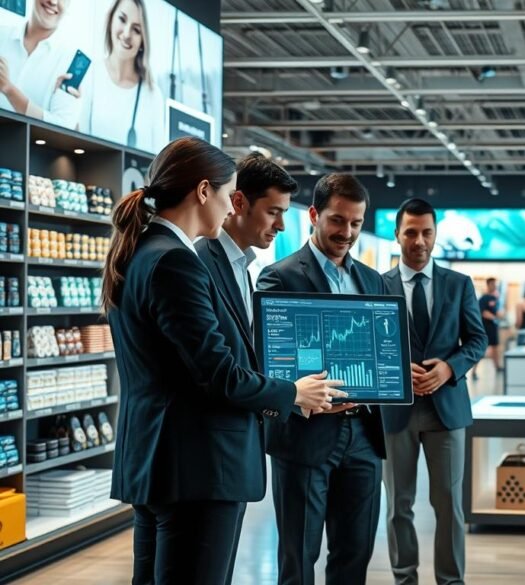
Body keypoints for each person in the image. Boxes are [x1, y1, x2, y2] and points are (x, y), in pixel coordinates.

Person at [101, 137, 340, 585]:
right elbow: (217, 373)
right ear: (203, 191)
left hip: (159, 463)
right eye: (229, 196)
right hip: (197, 468)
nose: (231, 209)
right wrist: (291, 393)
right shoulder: (177, 262)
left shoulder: (140, 252)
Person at [257, 173, 388, 585]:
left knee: (355, 555)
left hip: (364, 435)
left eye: (355, 223)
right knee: (298, 558)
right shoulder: (279, 277)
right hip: (305, 434)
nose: (346, 232)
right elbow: (268, 360)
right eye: (337, 220)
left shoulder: (372, 281)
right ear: (314, 215)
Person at [381, 197, 488, 585]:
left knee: (449, 505)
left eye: (427, 232)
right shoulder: (378, 284)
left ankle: (450, 580)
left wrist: (449, 367)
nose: (420, 241)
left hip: (447, 408)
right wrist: (394, 370)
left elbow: (477, 340)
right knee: (398, 506)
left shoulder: (458, 285)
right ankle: (404, 578)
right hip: (396, 410)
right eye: (411, 232)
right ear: (397, 235)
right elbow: (367, 344)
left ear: (436, 234)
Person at [195, 152, 295, 330]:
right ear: (239, 202)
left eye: (283, 213)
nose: (281, 226)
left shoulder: (241, 266)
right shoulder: (200, 262)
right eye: (272, 213)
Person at [79, 0, 166, 152]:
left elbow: (158, 158)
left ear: (143, 42)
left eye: (136, 30)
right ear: (111, 19)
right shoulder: (89, 74)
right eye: (122, 19)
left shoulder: (152, 94)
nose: (126, 34)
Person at [0, 0, 85, 129]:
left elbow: (63, 129)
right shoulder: (2, 37)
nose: (53, 2)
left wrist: (9, 89)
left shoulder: (73, 61)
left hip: (31, 148)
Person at [479, 277, 503, 371]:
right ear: (488, 285)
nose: (494, 286)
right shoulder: (484, 298)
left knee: (495, 348)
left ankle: (497, 366)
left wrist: (499, 316)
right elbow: (483, 312)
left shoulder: (494, 298)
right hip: (485, 327)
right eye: (492, 284)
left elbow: (496, 311)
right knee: (482, 349)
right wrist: (495, 318)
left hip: (493, 327)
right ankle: (474, 371)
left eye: (495, 284)